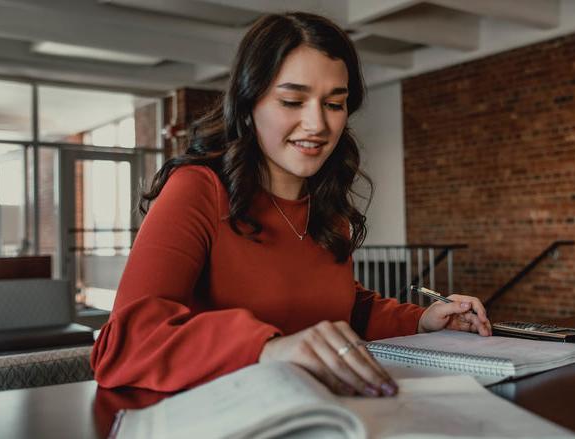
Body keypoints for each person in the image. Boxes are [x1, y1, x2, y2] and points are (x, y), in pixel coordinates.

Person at [90, 11, 491, 398]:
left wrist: (420, 319)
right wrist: (268, 348)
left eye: (334, 104)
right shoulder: (198, 189)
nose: (318, 124)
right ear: (249, 106)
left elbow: (340, 310)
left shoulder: (327, 206)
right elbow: (124, 343)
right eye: (292, 101)